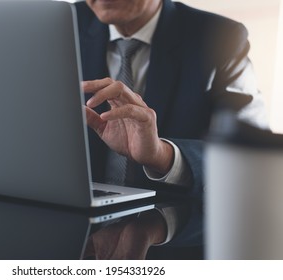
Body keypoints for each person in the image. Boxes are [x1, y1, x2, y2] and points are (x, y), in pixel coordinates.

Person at [76, 0, 267, 259]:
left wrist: (162, 155)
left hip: (177, 241)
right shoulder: (61, 26)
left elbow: (249, 161)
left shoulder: (219, 37)